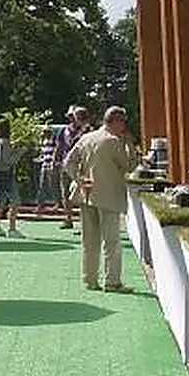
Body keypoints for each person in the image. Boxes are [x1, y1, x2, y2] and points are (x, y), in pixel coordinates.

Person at [65, 106, 134, 292]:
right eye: (123, 122)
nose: (124, 126)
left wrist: (78, 179)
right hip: (109, 197)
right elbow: (129, 166)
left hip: (87, 194)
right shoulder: (113, 141)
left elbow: (68, 162)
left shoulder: (86, 138)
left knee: (90, 241)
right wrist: (129, 144)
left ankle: (90, 279)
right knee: (111, 242)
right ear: (117, 121)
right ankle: (112, 281)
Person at [53, 105, 90, 230]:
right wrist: (55, 161)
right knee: (66, 193)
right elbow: (59, 147)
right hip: (65, 165)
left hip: (81, 165)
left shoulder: (88, 130)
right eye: (71, 116)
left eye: (74, 116)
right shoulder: (64, 131)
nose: (72, 118)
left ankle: (83, 222)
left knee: (82, 193)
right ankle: (68, 219)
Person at [0, 120, 26, 238]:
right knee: (15, 201)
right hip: (6, 175)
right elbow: (8, 161)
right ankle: (12, 229)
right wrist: (20, 152)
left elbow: (0, 158)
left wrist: (14, 147)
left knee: (0, 202)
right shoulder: (5, 142)